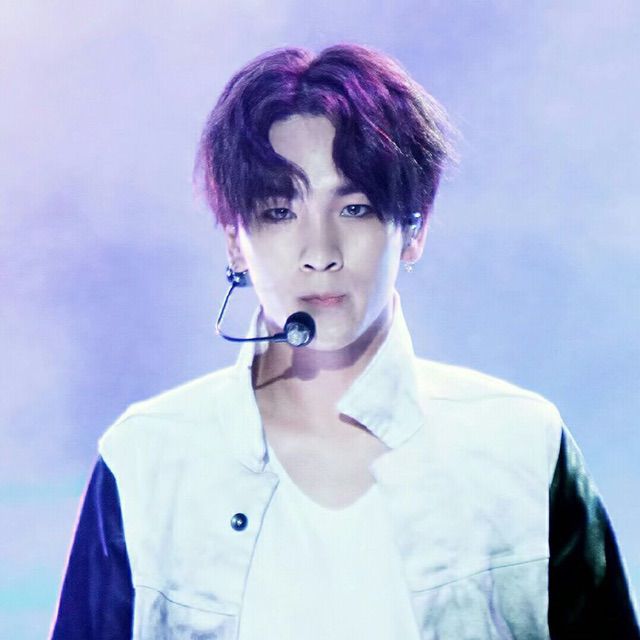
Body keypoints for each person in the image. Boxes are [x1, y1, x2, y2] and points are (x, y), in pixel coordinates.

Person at [51, 44, 638, 639]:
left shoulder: (521, 445)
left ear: (413, 228)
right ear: (235, 240)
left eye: (355, 208)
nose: (320, 253)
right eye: (280, 212)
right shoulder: (146, 459)